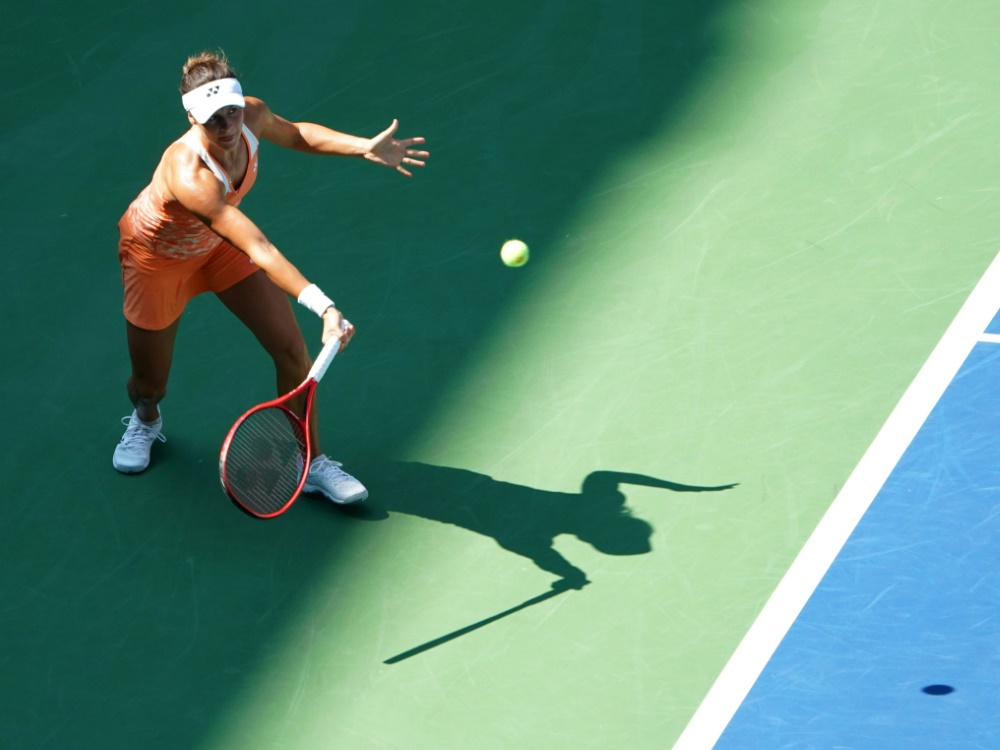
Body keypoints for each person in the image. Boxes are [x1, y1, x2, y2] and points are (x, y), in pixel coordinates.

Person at [112, 50, 429, 505]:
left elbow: (297, 134)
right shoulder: (189, 171)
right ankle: (145, 420)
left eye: (232, 113)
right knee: (150, 384)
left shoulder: (252, 115)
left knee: (291, 350)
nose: (226, 126)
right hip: (155, 260)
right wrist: (323, 304)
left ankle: (313, 463)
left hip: (217, 250)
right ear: (190, 116)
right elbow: (258, 246)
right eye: (213, 119)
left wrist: (362, 146)